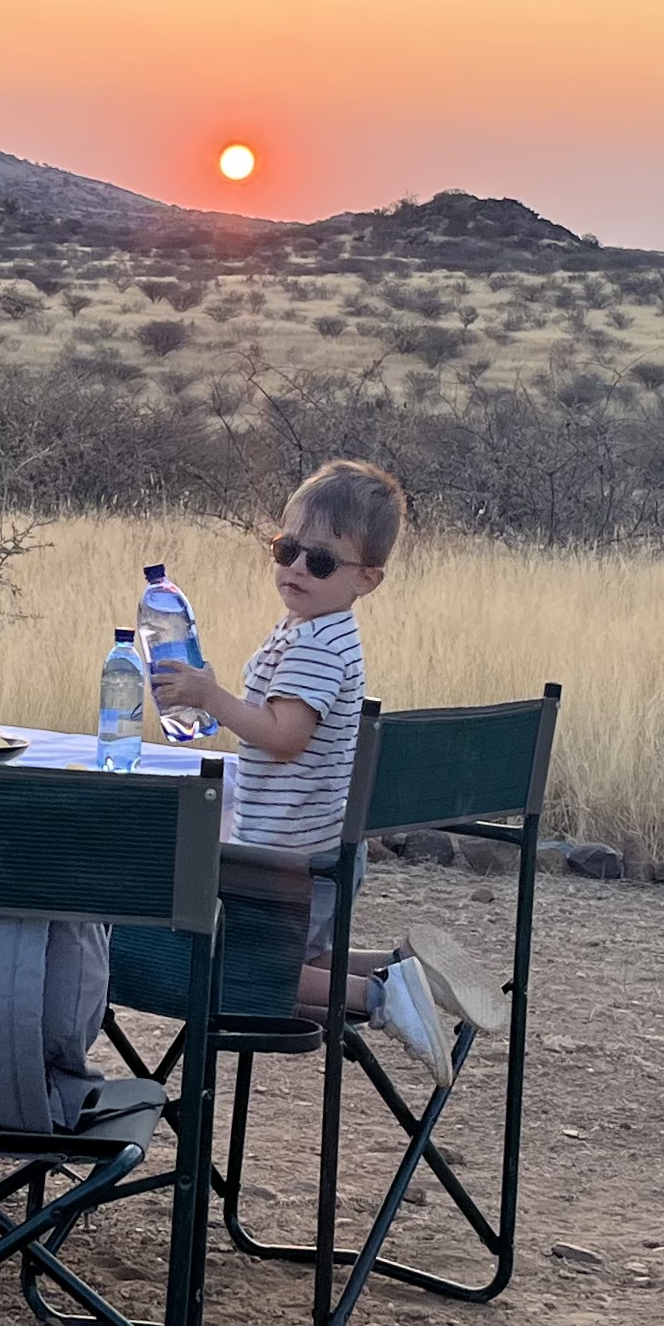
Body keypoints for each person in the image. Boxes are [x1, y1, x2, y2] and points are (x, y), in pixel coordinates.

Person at [146, 458, 501, 1089]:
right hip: (312, 843)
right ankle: (400, 964)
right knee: (303, 959)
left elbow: (285, 737)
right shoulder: (310, 630)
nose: (295, 568)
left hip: (293, 856)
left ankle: (382, 997)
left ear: (368, 578)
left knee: (243, 965)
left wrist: (211, 695)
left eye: (321, 561)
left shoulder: (316, 645)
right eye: (286, 549)